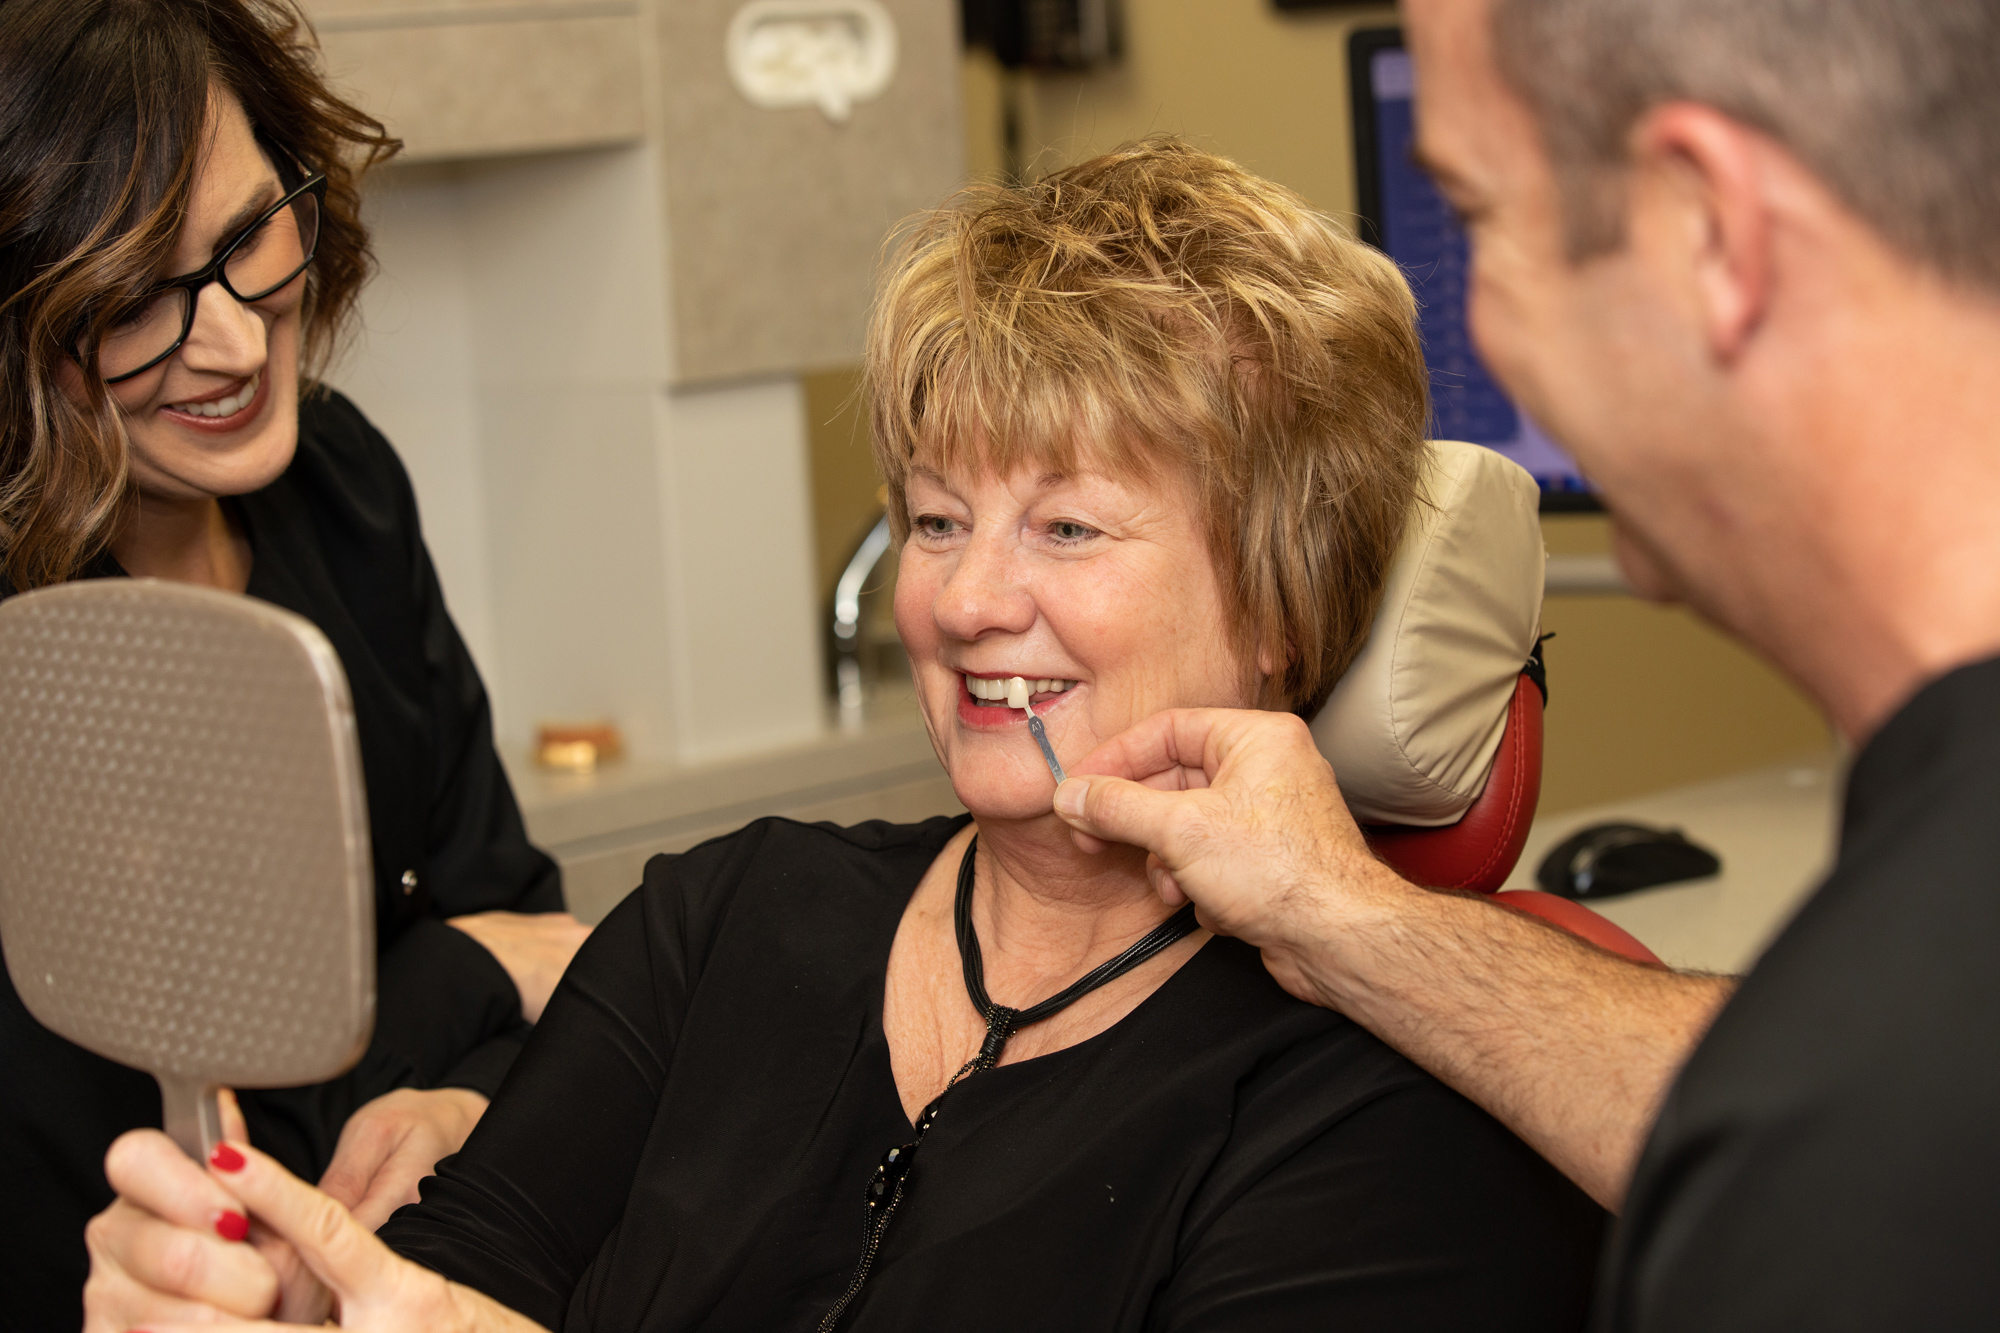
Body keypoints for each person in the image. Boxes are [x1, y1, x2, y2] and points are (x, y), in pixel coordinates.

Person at [80, 140, 1608, 1332]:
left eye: (1069, 524)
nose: (962, 596)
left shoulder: (1384, 1101)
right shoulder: (726, 916)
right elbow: (462, 1270)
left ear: (1282, 601)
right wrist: (300, 1298)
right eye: (936, 517)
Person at [1041, 1, 2000, 1328]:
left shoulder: (1851, 1175)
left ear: (1710, 234)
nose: (1477, 336)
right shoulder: (1910, 1027)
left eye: (1481, 221)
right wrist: (1347, 918)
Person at [0, 2, 590, 1326]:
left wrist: (446, 1097)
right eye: (133, 296)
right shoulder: (29, 661)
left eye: (248, 235)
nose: (230, 339)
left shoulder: (344, 484)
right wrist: (462, 972)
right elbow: (205, 1142)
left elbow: (547, 952)